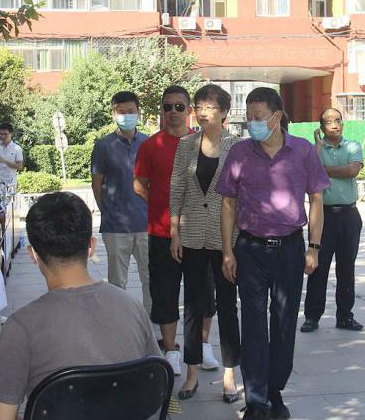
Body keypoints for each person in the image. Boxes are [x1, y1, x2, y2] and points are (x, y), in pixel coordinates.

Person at [0, 192, 161, 419]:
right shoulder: (133, 307)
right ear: (91, 246)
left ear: (33, 254)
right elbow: (156, 384)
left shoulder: (21, 327)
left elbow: (0, 416)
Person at [216, 87, 329, 420]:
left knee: (283, 322)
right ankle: (256, 401)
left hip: (290, 249)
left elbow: (317, 199)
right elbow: (228, 204)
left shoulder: (303, 150)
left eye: (259, 117)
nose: (252, 123)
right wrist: (227, 252)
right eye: (249, 117)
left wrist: (314, 247)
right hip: (250, 249)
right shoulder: (239, 153)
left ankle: (274, 390)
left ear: (277, 116)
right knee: (253, 324)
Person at [134, 85, 220, 377]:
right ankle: (171, 351)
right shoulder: (150, 146)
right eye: (167, 106)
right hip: (161, 233)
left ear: (189, 110)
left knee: (204, 292)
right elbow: (139, 184)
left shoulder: (204, 143)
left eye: (179, 106)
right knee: (165, 293)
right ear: (161, 110)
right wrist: (162, 207)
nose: (173, 111)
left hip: (200, 233)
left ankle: (203, 346)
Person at [169, 84, 241, 402]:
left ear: (224, 111)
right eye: (198, 106)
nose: (202, 111)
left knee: (227, 306)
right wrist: (174, 232)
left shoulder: (237, 146)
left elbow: (241, 194)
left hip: (225, 238)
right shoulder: (186, 145)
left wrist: (235, 243)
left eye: (209, 106)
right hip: (192, 235)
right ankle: (192, 373)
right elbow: (176, 189)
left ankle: (229, 375)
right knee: (193, 306)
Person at [91, 91, 153, 322]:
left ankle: (153, 325)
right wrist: (108, 210)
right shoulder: (103, 146)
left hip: (147, 224)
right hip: (116, 226)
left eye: (130, 111)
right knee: (117, 283)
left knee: (151, 279)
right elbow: (97, 183)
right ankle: (118, 324)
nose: (126, 115)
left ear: (138, 112)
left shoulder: (149, 143)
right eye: (121, 111)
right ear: (113, 113)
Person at [301, 108, 364, 333]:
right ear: (321, 128)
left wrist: (323, 170)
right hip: (323, 217)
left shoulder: (352, 146)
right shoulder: (315, 149)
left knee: (347, 268)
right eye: (328, 122)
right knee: (318, 267)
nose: (334, 125)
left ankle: (345, 316)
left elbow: (352, 170)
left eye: (337, 120)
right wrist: (318, 147)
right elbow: (311, 172)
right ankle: (312, 317)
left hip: (349, 215)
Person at [0, 122, 23, 188]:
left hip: (10, 183)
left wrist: (5, 161)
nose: (3, 136)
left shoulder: (17, 148)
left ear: (11, 134)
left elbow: (19, 166)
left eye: (5, 134)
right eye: (1, 134)